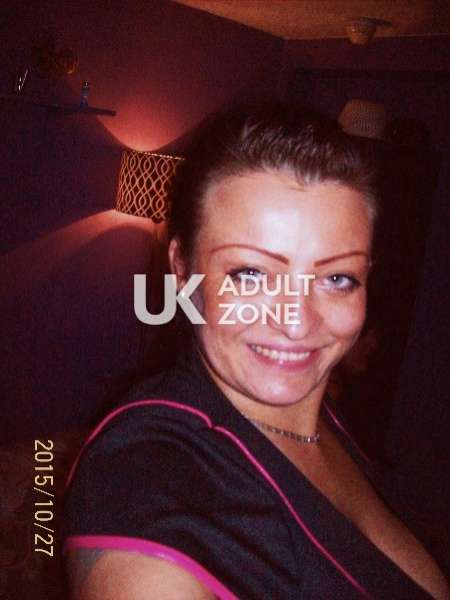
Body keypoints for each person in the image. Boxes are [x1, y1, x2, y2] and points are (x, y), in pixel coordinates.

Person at [63, 104, 449, 599]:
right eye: (250, 274)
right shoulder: (146, 475)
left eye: (337, 278)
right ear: (182, 270)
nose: (297, 322)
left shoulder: (319, 418)